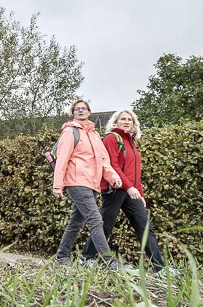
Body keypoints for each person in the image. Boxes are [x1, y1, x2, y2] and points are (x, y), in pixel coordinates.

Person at [80, 108, 166, 271]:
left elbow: (135, 172)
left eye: (129, 119)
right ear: (116, 122)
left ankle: (159, 268)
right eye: (123, 119)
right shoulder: (111, 138)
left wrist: (139, 193)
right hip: (115, 189)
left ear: (134, 123)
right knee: (105, 226)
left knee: (144, 227)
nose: (126, 122)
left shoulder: (131, 142)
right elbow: (112, 165)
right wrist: (129, 187)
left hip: (130, 191)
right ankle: (86, 258)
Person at [52, 99, 123, 266]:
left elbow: (104, 161)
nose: (80, 110)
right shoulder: (70, 132)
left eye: (84, 108)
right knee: (95, 220)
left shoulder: (94, 135)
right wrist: (57, 184)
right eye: (77, 109)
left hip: (92, 183)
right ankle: (109, 261)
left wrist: (113, 178)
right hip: (76, 181)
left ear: (89, 112)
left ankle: (61, 258)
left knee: (76, 222)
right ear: (73, 113)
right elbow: (62, 159)